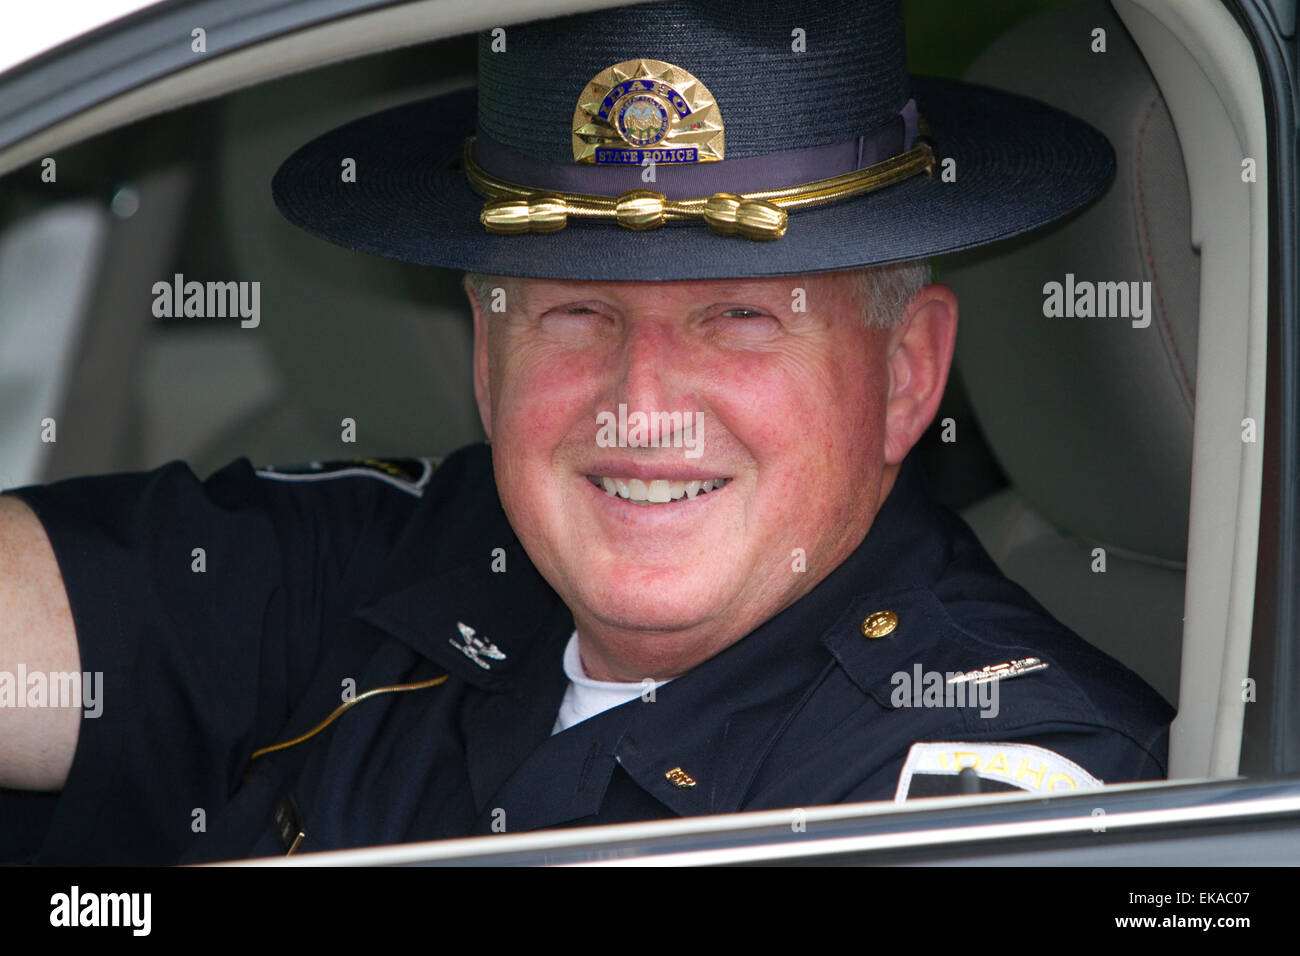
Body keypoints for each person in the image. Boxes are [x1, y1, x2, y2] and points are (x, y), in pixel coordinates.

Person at [0, 0, 1173, 865]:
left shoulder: (989, 781)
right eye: (575, 312)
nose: (641, 400)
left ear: (906, 374)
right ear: (482, 352)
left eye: (740, 315)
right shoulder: (408, 555)